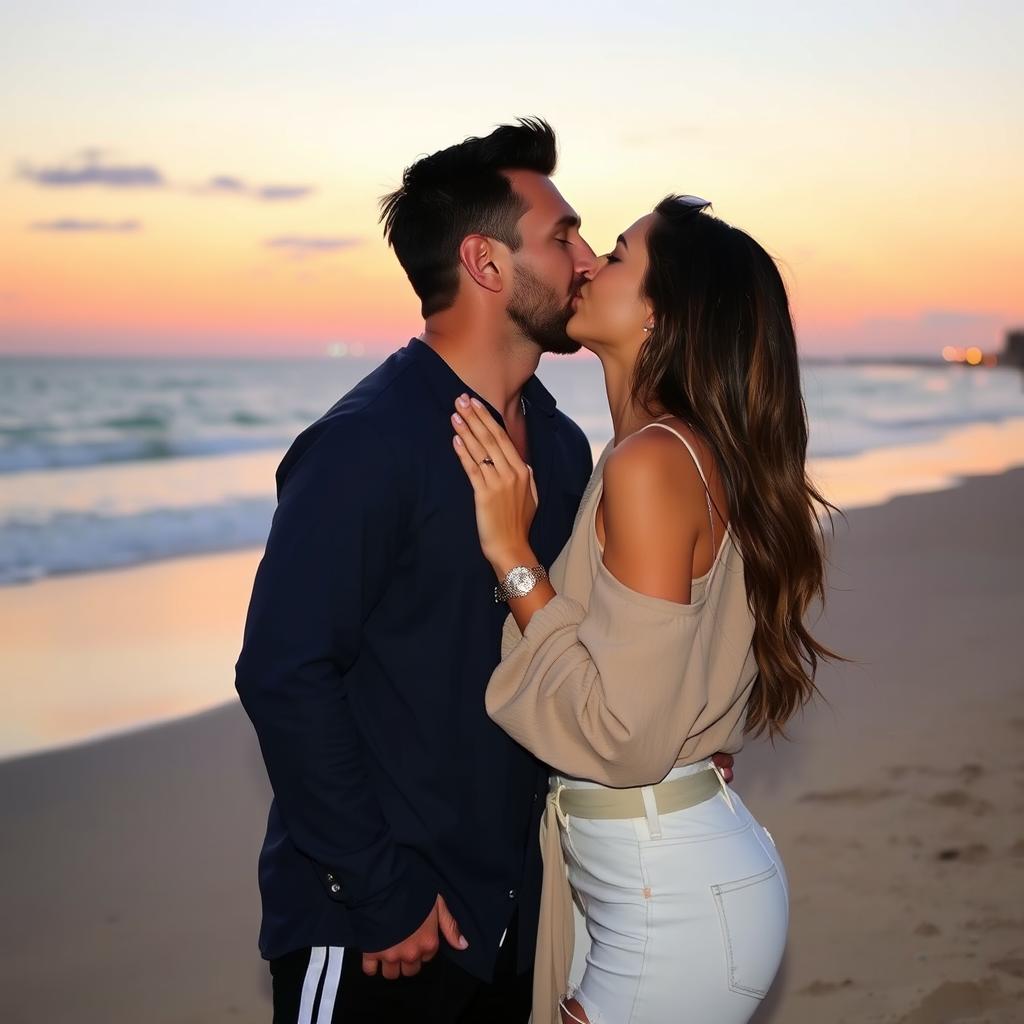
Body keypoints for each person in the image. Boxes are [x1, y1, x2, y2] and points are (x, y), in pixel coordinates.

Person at [234, 120, 736, 1024]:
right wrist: (378, 889)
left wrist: (681, 741)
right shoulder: (367, 444)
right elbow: (284, 672)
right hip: (379, 932)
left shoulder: (560, 442)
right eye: (562, 235)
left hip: (519, 913)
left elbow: (590, 651)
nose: (585, 258)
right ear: (486, 262)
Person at [449, 195, 844, 1024]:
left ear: (664, 315)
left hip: (669, 895)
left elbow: (626, 735)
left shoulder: (653, 463)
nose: (589, 264)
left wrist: (513, 557)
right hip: (648, 869)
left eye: (619, 256)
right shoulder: (673, 454)